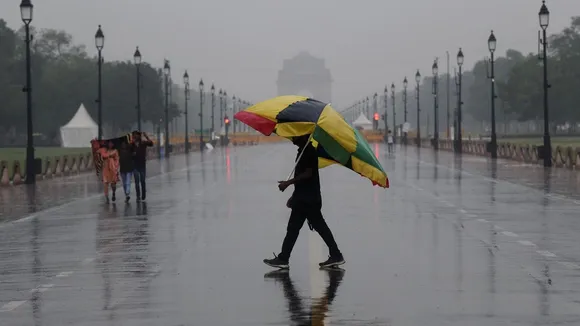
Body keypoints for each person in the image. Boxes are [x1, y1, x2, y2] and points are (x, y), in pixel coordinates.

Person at [263, 134, 344, 269]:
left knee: (312, 228)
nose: (293, 138)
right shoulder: (303, 150)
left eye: (295, 136)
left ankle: (284, 258)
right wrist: (294, 196)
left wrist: (288, 183)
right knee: (296, 228)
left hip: (308, 200)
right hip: (303, 198)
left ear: (304, 136)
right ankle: (284, 258)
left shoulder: (309, 151)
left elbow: (308, 174)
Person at [132, 131, 154, 202]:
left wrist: (147, 136)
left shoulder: (143, 143)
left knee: (142, 181)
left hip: (142, 165)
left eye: (136, 135)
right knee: (137, 182)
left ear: (139, 136)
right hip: (135, 165)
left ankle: (143, 193)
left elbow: (151, 143)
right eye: (134, 136)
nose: (135, 137)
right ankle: (138, 195)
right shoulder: (131, 145)